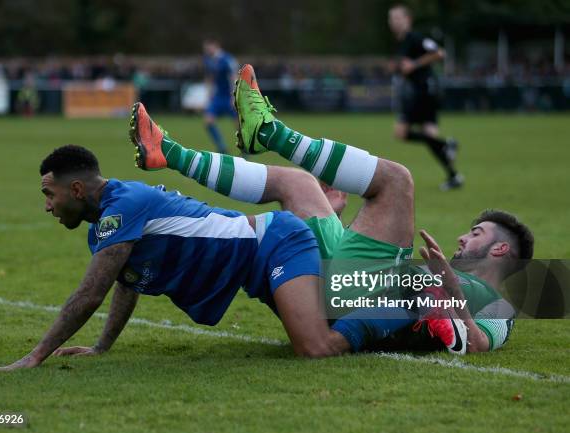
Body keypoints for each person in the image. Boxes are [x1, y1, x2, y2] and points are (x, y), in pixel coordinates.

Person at [130, 64, 534, 354]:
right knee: (300, 184)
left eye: (477, 234)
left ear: (501, 251)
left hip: (365, 299)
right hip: (348, 289)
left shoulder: (498, 307)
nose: (463, 237)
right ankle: (167, 153)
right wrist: (333, 220)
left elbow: (478, 344)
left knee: (397, 182)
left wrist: (451, 295)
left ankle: (270, 132)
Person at [388, 4, 463, 191]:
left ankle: (447, 144)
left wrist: (413, 64)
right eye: (392, 18)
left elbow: (439, 52)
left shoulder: (415, 37)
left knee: (401, 132)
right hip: (422, 90)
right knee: (429, 136)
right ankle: (454, 176)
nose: (394, 22)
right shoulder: (402, 42)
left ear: (408, 20)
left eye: (398, 18)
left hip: (424, 90)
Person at [202, 37, 237, 154]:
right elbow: (209, 77)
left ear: (216, 46)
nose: (207, 50)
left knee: (239, 126)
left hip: (229, 96)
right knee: (208, 121)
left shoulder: (227, 59)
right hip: (218, 97)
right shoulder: (208, 60)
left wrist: (234, 96)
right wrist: (209, 94)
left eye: (208, 48)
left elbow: (233, 77)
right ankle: (222, 147)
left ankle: (246, 149)